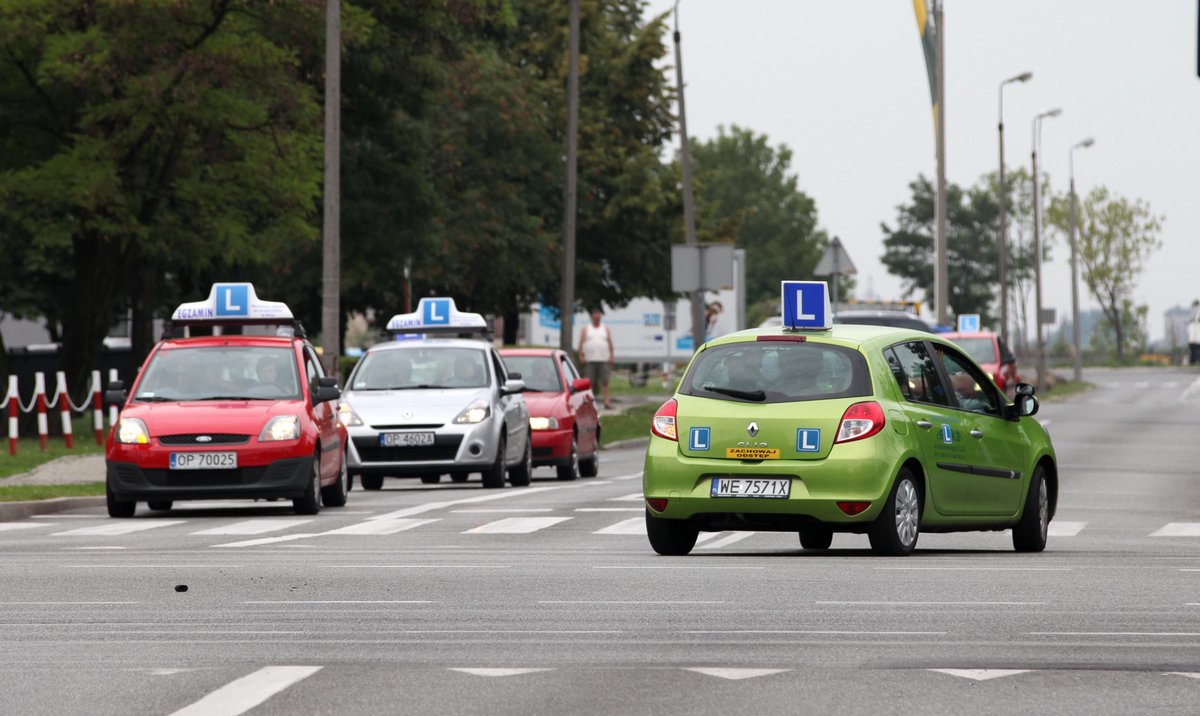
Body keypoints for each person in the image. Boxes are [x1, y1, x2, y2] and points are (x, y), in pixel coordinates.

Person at [578, 308, 614, 408]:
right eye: (595, 316)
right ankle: (589, 403)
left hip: (603, 359)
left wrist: (611, 356)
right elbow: (581, 343)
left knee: (605, 382)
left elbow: (610, 342)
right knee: (589, 383)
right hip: (590, 360)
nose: (597, 318)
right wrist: (581, 355)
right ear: (592, 317)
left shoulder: (605, 328)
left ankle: (607, 401)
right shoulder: (586, 329)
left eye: (598, 316)